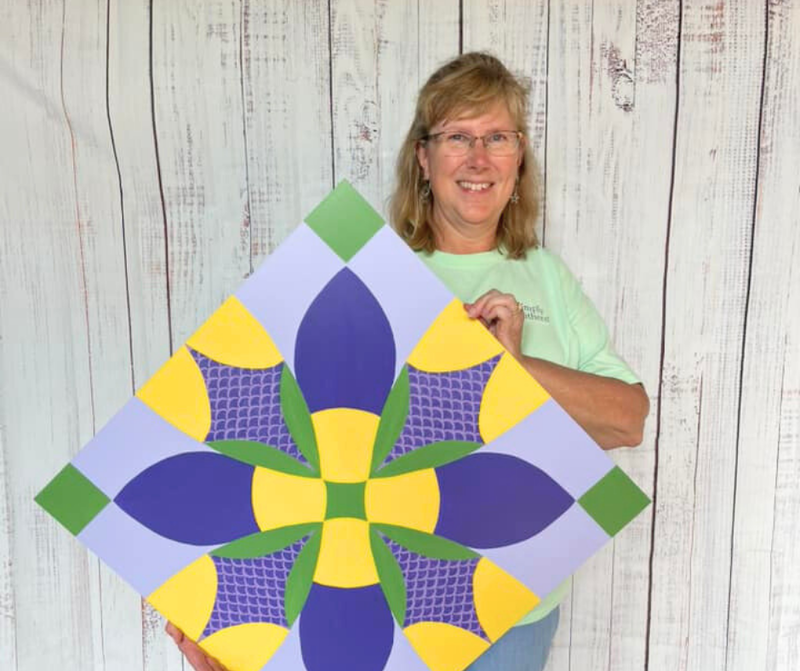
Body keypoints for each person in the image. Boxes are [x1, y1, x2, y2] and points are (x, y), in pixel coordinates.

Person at [169, 51, 648, 671]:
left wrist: (514, 370)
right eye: (457, 137)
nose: (478, 159)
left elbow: (626, 421)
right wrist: (213, 617)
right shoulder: (365, 277)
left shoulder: (547, 278)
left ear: (519, 156)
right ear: (423, 157)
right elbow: (267, 437)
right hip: (385, 606)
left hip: (511, 607)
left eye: (497, 137)